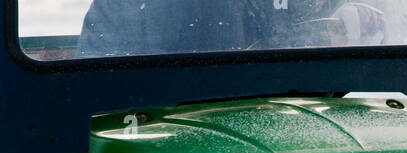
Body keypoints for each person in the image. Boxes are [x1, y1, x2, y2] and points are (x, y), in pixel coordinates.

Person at [77, 1, 390, 59]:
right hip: (170, 131)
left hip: (292, 117)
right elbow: (104, 107)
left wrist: (348, 22)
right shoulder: (132, 5)